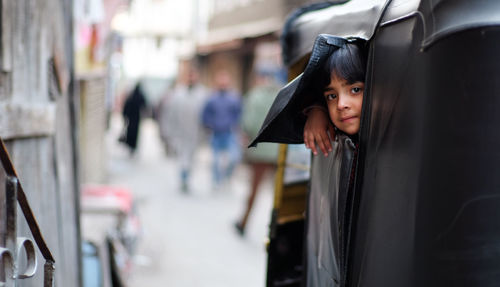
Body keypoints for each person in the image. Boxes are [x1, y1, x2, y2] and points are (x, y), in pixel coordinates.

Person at [300, 38, 367, 286]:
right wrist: (316, 109)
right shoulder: (334, 141)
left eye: (355, 90)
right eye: (331, 95)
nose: (342, 104)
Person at [234, 69, 281, 235]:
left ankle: (244, 222)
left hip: (260, 150)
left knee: (254, 190)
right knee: (278, 192)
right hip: (279, 151)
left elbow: (249, 123)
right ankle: (277, 228)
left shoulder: (254, 96)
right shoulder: (282, 93)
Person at [162, 66, 208, 192]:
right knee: (182, 157)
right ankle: (182, 179)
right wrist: (168, 131)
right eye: (189, 76)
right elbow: (169, 113)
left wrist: (205, 133)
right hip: (179, 133)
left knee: (191, 159)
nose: (191, 78)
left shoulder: (203, 94)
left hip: (195, 133)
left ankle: (187, 179)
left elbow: (206, 115)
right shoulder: (177, 94)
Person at [201, 70, 242, 189]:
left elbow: (239, 114)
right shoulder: (211, 98)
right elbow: (205, 115)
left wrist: (236, 126)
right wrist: (209, 125)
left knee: (234, 158)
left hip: (230, 133)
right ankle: (216, 181)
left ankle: (227, 177)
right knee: (216, 161)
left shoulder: (234, 98)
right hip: (216, 133)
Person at [121, 82, 147, 155]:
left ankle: (130, 146)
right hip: (136, 118)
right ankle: (132, 146)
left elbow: (126, 106)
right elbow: (144, 105)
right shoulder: (140, 95)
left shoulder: (132, 95)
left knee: (131, 131)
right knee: (133, 132)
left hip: (131, 118)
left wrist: (125, 115)